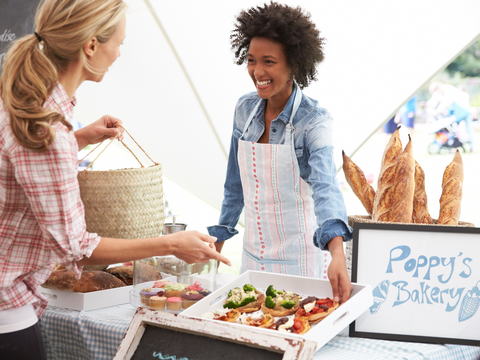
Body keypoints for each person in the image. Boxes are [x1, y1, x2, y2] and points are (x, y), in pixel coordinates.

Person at [0, 1, 230, 358]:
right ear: (91, 45)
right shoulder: (47, 131)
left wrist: (79, 138)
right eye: (118, 43)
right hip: (7, 317)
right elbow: (78, 247)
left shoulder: (24, 104)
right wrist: (170, 244)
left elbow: (20, 164)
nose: (120, 54)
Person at [208, 2, 352, 304]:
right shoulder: (244, 109)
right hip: (252, 261)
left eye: (269, 62)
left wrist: (337, 252)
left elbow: (327, 187)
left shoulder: (314, 120)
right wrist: (218, 238)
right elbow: (235, 186)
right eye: (251, 60)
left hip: (302, 265)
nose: (257, 71)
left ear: (293, 65)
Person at [427, 81, 474, 152]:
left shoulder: (448, 89)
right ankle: (454, 146)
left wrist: (440, 108)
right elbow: (433, 100)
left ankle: (472, 147)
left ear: (438, 88)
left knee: (468, 128)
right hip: (456, 114)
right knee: (454, 129)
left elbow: (448, 101)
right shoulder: (439, 93)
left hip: (464, 110)